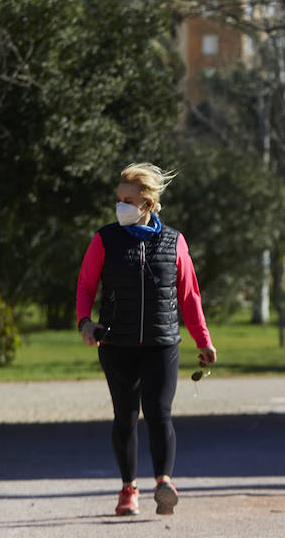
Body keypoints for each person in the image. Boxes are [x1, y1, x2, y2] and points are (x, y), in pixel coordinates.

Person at [76, 163, 217, 518]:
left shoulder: (173, 241)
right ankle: (128, 489)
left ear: (148, 203)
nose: (121, 206)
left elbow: (189, 296)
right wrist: (85, 322)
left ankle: (163, 482)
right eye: (119, 199)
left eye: (129, 200)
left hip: (162, 342)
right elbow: (86, 285)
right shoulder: (104, 238)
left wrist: (203, 341)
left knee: (159, 412)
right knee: (125, 415)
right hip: (116, 343)